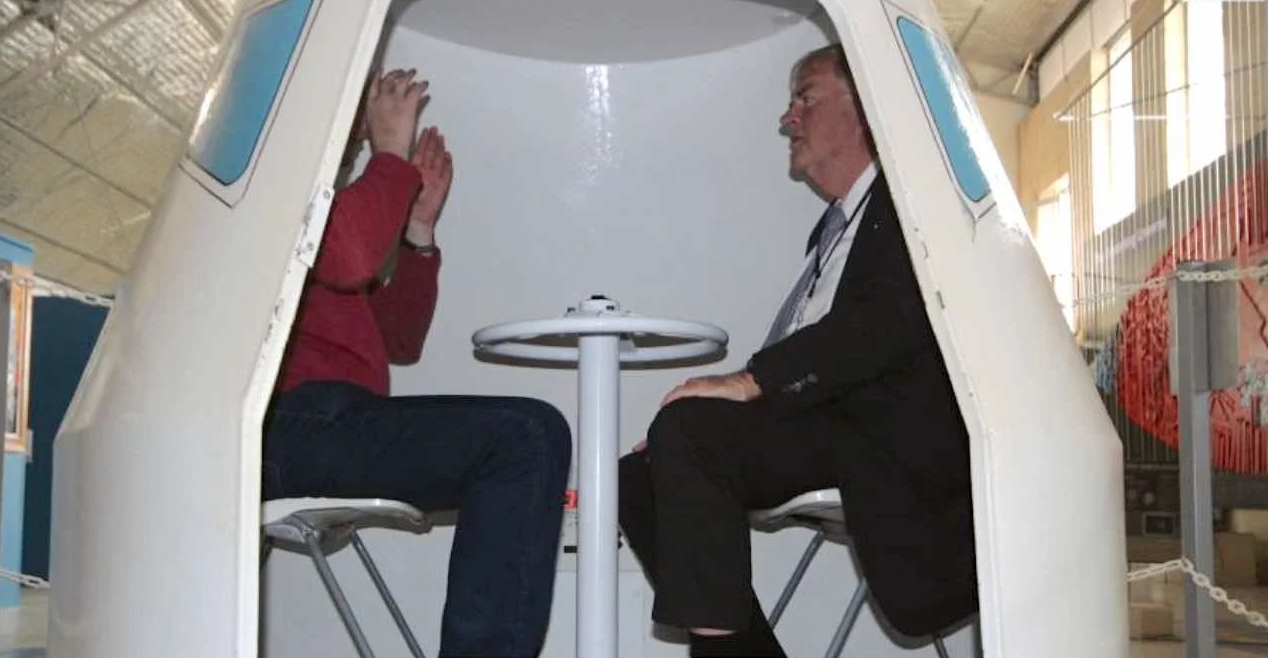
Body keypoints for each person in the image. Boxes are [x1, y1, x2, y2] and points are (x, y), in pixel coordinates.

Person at [618, 44, 978, 656]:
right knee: (639, 473)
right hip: (826, 420)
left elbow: (885, 324)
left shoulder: (912, 203)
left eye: (803, 99)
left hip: (882, 435)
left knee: (689, 432)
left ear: (862, 106)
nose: (788, 120)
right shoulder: (839, 228)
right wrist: (715, 415)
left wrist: (750, 381)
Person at [262, 68, 572, 658]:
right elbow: (352, 257)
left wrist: (417, 231)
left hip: (331, 417)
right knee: (526, 436)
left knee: (525, 436)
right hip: (291, 423)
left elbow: (398, 340)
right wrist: (391, 157)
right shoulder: (279, 180)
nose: (359, 132)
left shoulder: (330, 205)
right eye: (357, 118)